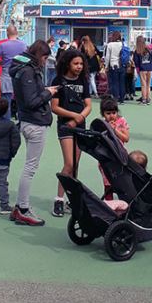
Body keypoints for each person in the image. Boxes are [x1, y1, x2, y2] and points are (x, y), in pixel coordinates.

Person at [9, 40, 56, 226]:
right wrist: (48, 93)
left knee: (29, 167)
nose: (45, 62)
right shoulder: (29, 71)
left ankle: (20, 206)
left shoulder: (20, 67)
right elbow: (31, 100)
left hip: (27, 120)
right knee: (30, 168)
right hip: (35, 121)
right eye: (44, 57)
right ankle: (23, 208)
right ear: (39, 55)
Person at [51, 47, 92, 217]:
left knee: (75, 165)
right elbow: (54, 107)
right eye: (76, 63)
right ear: (68, 64)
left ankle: (72, 199)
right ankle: (58, 200)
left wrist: (80, 117)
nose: (79, 66)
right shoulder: (58, 80)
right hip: (65, 127)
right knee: (69, 164)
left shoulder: (83, 81)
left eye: (81, 63)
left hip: (80, 127)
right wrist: (73, 116)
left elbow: (88, 105)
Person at [99, 95, 130, 201]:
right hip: (106, 157)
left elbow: (126, 138)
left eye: (114, 113)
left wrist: (115, 130)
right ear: (103, 114)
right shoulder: (101, 124)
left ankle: (125, 203)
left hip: (120, 156)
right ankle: (109, 204)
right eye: (108, 113)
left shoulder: (121, 121)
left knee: (122, 181)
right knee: (107, 182)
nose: (111, 116)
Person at [0, 24, 26, 119]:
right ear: (16, 32)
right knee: (21, 100)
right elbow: (26, 59)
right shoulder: (23, 45)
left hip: (6, 73)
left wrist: (3, 63)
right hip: (21, 73)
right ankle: (22, 121)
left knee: (6, 101)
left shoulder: (2, 45)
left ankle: (6, 122)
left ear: (7, 33)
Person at [103, 31, 125, 102]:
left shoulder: (110, 45)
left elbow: (107, 57)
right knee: (121, 82)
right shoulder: (122, 44)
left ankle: (116, 97)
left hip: (113, 65)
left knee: (114, 82)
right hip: (122, 65)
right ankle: (122, 99)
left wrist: (106, 66)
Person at [133, 35, 152, 104]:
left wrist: (137, 69)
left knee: (143, 85)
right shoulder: (148, 49)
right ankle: (148, 99)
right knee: (148, 84)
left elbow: (136, 61)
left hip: (142, 69)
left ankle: (144, 99)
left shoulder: (137, 51)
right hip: (149, 68)